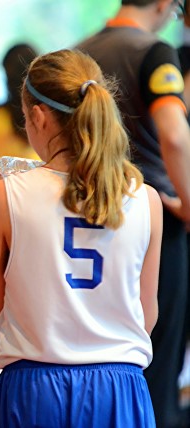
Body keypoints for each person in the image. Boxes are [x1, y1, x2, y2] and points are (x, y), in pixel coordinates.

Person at [0, 48, 162, 428]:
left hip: (34, 387)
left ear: (39, 117)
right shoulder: (146, 198)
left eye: (25, 119)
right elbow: (147, 315)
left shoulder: (4, 194)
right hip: (120, 387)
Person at [77, 2, 190, 426]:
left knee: (103, 355)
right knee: (156, 365)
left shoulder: (80, 52)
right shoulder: (155, 52)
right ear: (162, 4)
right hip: (153, 220)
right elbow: (175, 137)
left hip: (90, 221)